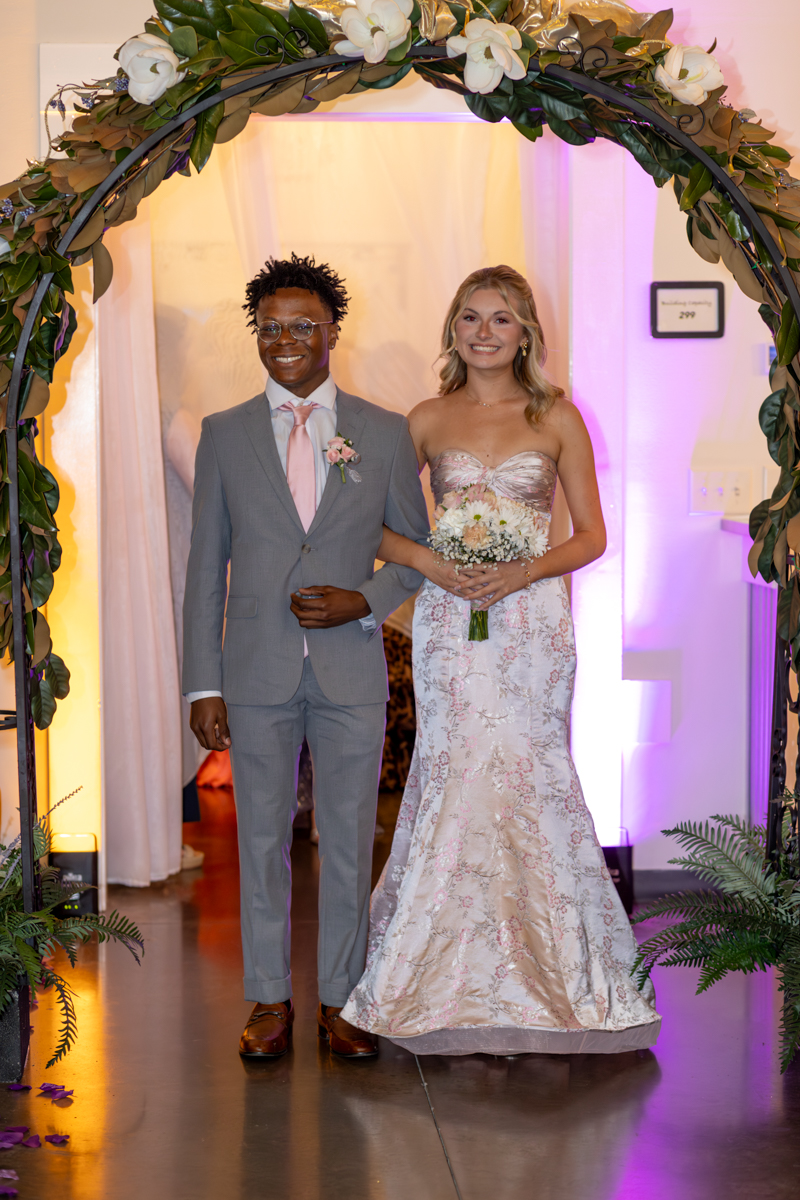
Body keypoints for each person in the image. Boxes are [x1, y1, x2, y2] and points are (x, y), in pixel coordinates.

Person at [341, 265, 661, 1054]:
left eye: (502, 320)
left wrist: (521, 569)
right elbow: (364, 524)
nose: (484, 332)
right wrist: (434, 560)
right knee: (454, 768)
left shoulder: (557, 417)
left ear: (526, 334)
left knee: (530, 770)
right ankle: (432, 970)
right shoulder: (422, 420)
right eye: (471, 318)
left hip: (533, 625)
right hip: (450, 622)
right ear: (453, 328)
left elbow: (591, 534)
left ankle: (553, 974)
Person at [182, 254, 431, 1060]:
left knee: (351, 836)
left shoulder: (385, 432)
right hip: (252, 671)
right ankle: (266, 1001)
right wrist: (203, 682)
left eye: (302, 326)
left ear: (332, 333)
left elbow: (416, 547)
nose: (285, 340)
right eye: (270, 327)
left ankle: (343, 999)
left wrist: (367, 599)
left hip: (350, 665)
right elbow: (204, 567)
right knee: (259, 839)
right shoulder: (222, 434)